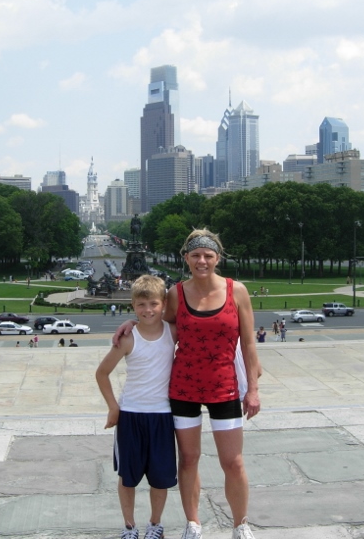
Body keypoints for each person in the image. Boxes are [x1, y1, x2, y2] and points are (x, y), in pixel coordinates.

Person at [113, 228, 261, 539]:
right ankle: (193, 523)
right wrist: (130, 323)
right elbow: (154, 323)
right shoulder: (175, 294)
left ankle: (240, 524)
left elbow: (248, 344)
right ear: (186, 258)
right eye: (195, 255)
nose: (202, 261)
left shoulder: (237, 292)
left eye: (208, 255)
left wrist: (254, 391)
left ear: (217, 258)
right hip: (184, 389)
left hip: (225, 388)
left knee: (232, 462)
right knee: (189, 459)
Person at [96, 275, 176, 539]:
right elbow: (102, 373)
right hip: (131, 414)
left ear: (163, 304)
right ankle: (129, 526)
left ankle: (155, 524)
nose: (148, 310)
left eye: (153, 303)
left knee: (160, 478)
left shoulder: (172, 332)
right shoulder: (128, 339)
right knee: (128, 477)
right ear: (132, 305)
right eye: (141, 305)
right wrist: (113, 407)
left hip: (162, 415)